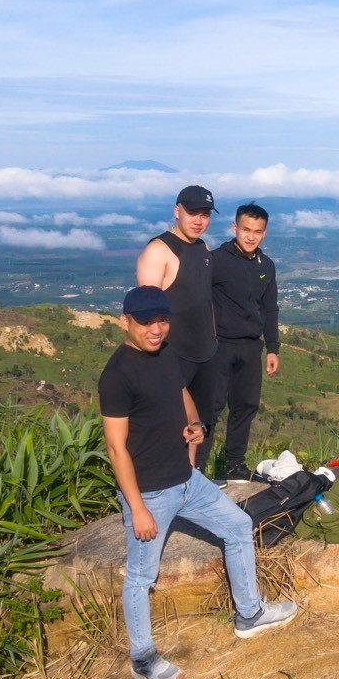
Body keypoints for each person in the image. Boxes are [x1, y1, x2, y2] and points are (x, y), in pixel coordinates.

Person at [99, 285, 296, 679]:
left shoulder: (165, 353)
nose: (155, 329)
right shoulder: (117, 375)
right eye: (145, 322)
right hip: (151, 492)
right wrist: (137, 508)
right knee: (141, 576)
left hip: (187, 481)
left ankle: (250, 614)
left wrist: (195, 426)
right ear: (125, 322)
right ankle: (142, 657)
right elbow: (116, 448)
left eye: (161, 320)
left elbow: (181, 393)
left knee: (238, 526)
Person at [136, 185, 219, 472]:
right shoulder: (159, 250)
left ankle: (196, 479)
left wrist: (214, 342)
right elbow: (145, 311)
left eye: (205, 215)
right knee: (171, 423)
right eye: (192, 213)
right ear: (177, 211)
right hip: (173, 354)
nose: (199, 221)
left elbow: (205, 300)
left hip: (205, 352)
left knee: (203, 424)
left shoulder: (203, 248)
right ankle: (167, 481)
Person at [208, 203, 280, 481]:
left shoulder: (266, 266)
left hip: (251, 346)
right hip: (219, 345)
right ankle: (197, 469)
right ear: (234, 227)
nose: (251, 236)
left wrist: (272, 348)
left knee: (245, 406)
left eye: (257, 232)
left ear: (265, 233)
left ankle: (234, 465)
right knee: (210, 408)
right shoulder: (216, 260)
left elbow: (270, 308)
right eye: (246, 229)